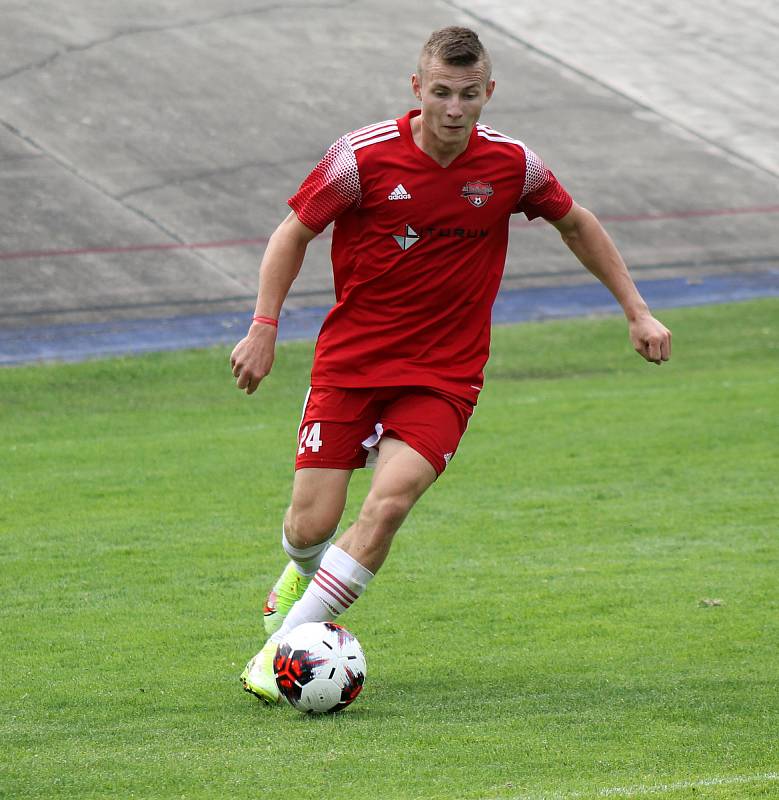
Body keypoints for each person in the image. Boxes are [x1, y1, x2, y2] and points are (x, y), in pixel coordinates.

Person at [230, 26, 671, 704]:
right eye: (441, 92)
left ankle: (276, 654)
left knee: (387, 505)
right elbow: (294, 232)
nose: (454, 108)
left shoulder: (511, 166)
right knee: (309, 525)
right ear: (416, 89)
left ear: (487, 92)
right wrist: (264, 327)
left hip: (443, 375)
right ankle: (299, 570)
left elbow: (575, 223)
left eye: (468, 95)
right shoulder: (359, 159)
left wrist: (636, 310)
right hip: (350, 364)